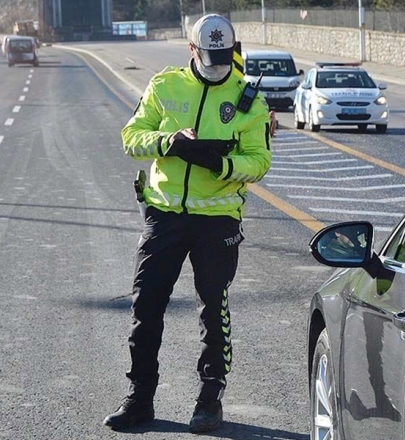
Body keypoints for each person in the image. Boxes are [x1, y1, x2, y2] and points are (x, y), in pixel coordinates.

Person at [104, 14, 272, 433]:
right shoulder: (166, 85)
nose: (218, 68)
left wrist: (221, 163)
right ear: (192, 50)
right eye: (210, 58)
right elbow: (131, 136)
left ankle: (209, 399)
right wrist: (168, 142)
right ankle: (140, 398)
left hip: (216, 220)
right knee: (146, 306)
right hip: (164, 215)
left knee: (213, 309)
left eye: (225, 58)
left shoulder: (248, 99)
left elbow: (260, 162)